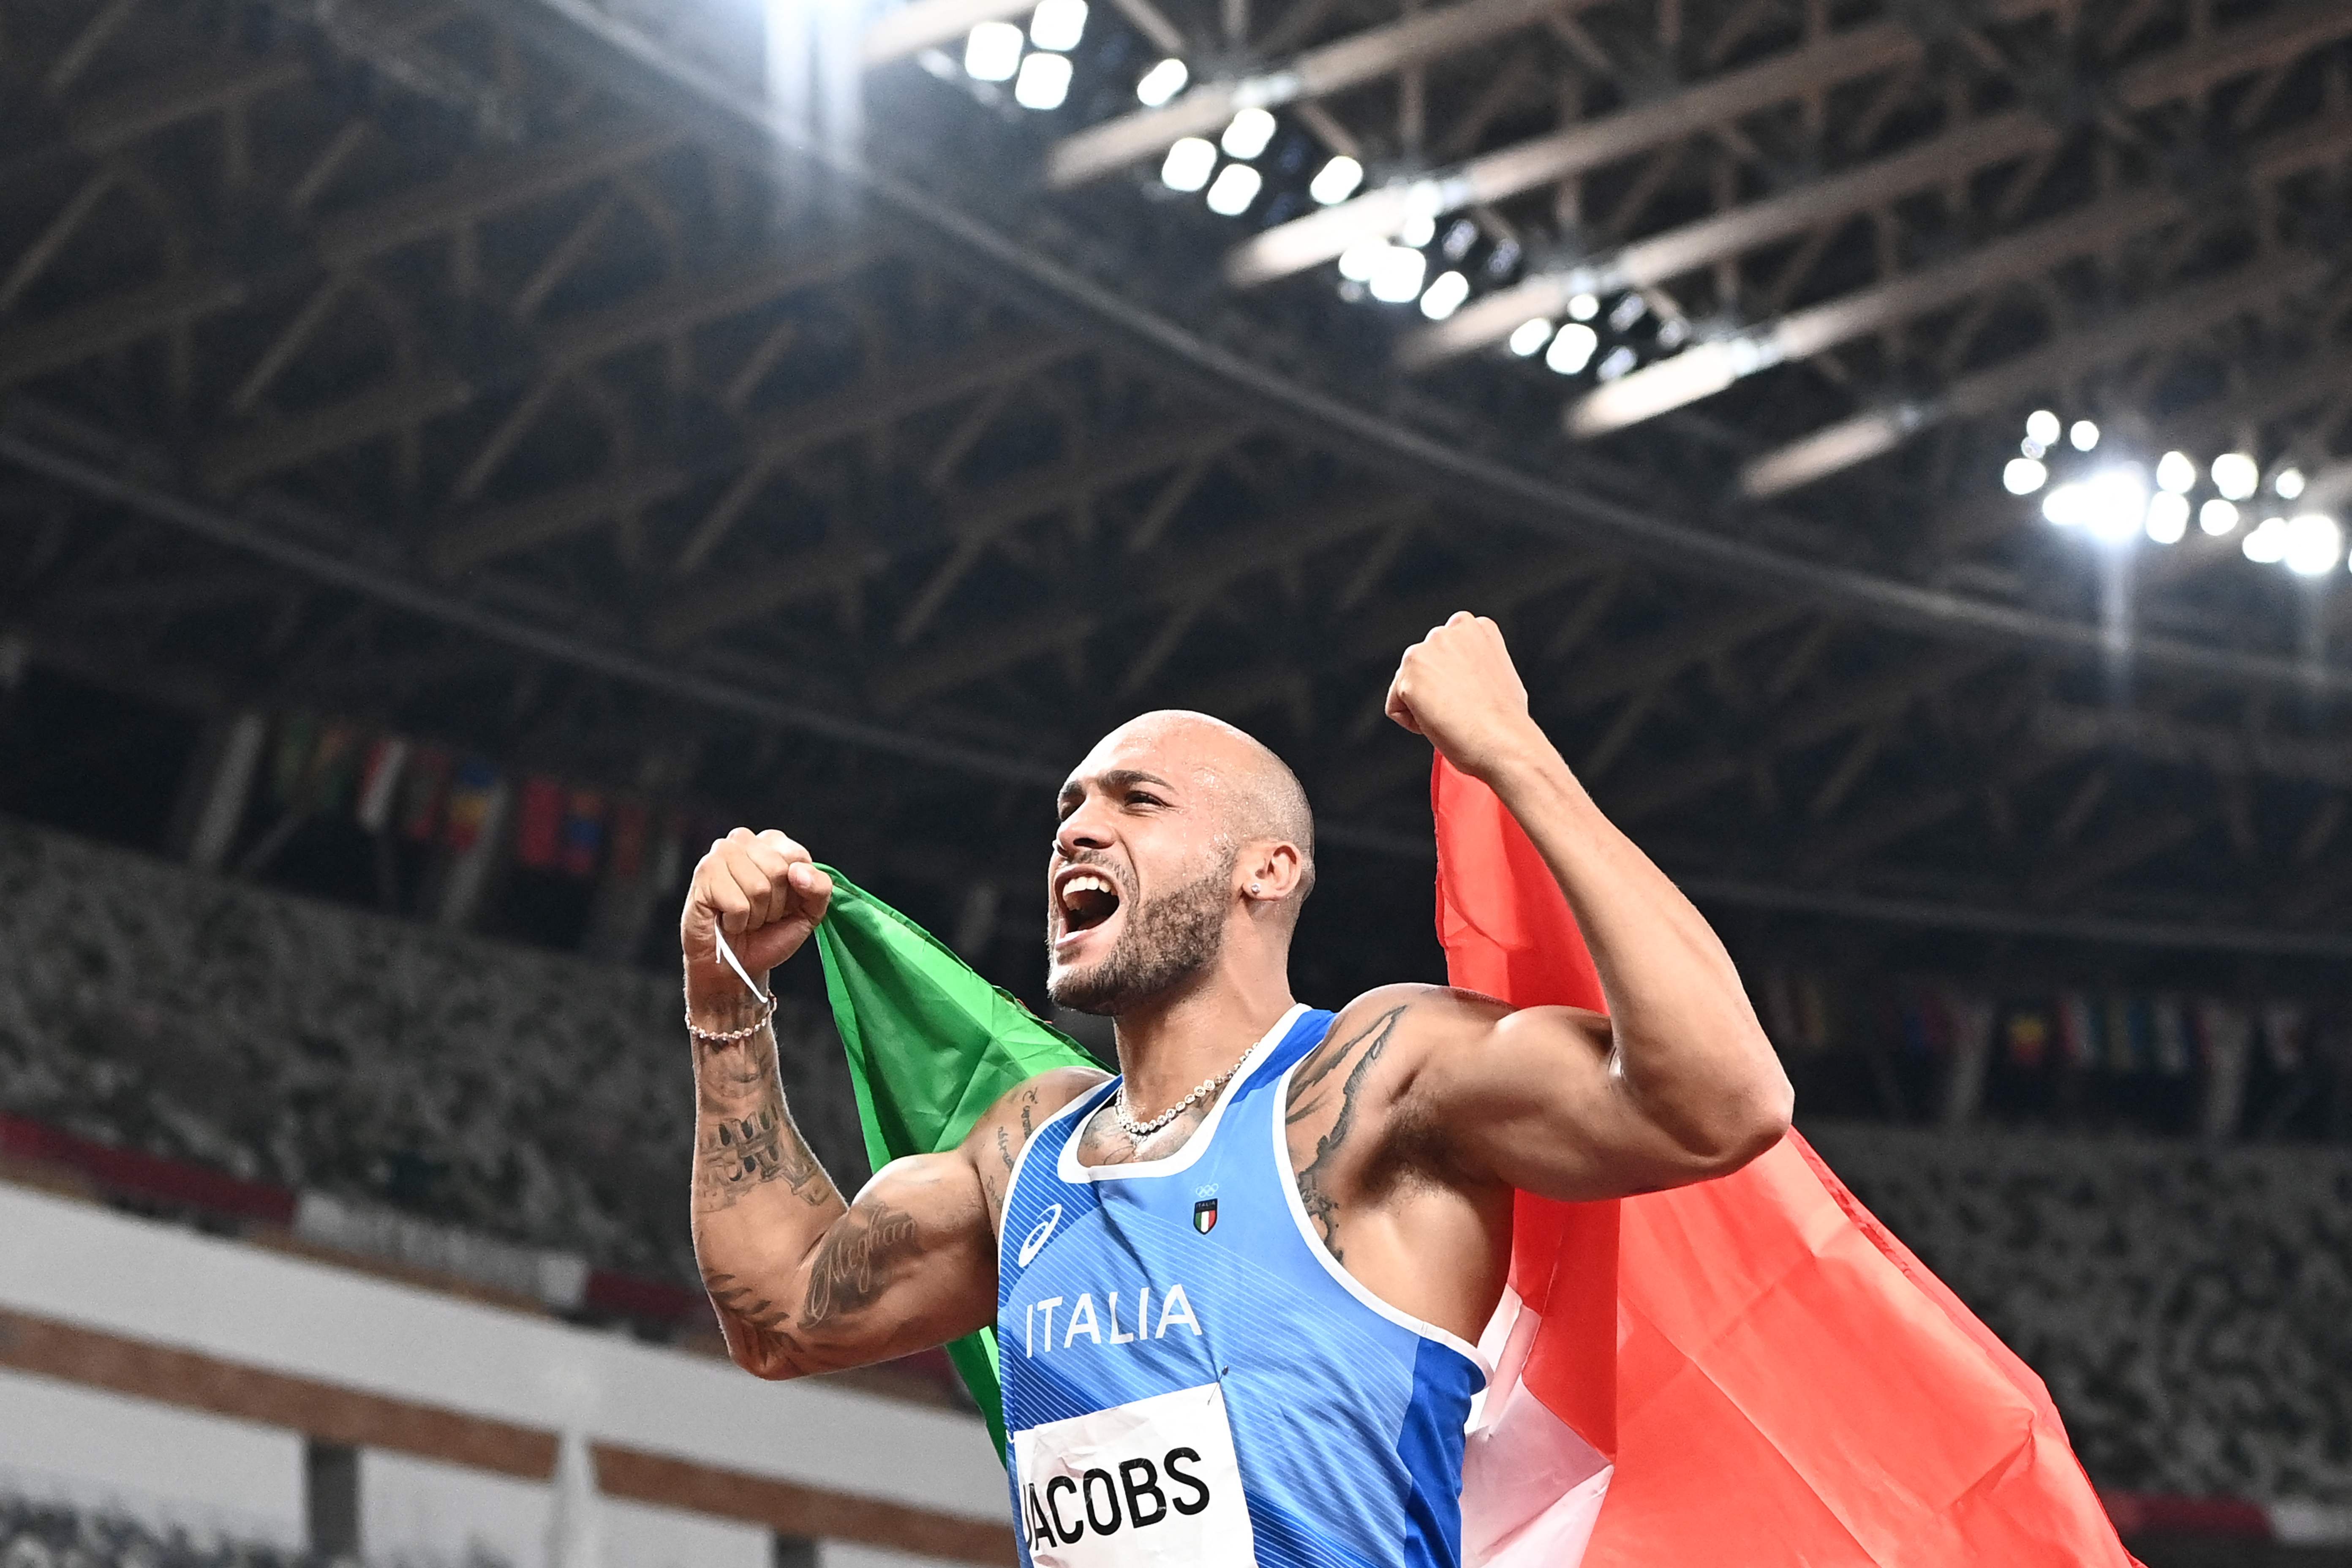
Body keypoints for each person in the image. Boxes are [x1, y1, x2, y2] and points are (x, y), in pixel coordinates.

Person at [682, 613, 1792, 1567]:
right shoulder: (1021, 1155)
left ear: (1267, 870)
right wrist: (725, 1005)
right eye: (1069, 806)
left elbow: (1724, 1101)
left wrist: (1512, 750)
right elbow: (782, 1318)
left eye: (1138, 800)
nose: (1076, 826)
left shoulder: (1373, 1082)